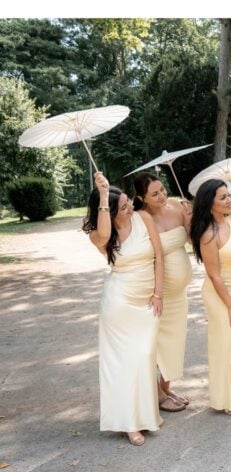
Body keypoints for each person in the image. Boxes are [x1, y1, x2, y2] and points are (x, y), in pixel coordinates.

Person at [82, 172, 164, 446]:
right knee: (123, 364)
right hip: (119, 304)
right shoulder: (101, 235)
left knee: (144, 357)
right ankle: (129, 424)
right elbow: (104, 233)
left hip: (146, 302)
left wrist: (158, 293)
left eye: (130, 202)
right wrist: (105, 195)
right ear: (110, 211)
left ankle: (146, 415)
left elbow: (159, 257)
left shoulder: (144, 219)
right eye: (125, 206)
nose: (131, 208)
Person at [190, 179, 231, 416]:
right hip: (220, 294)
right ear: (210, 203)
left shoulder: (230, 221)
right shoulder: (208, 233)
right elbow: (214, 275)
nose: (228, 200)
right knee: (229, 344)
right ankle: (224, 398)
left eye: (228, 195)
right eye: (222, 197)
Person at [132, 173, 192, 413]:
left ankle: (165, 387)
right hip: (159, 290)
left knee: (175, 341)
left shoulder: (177, 206)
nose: (162, 196)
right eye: (154, 193)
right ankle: (156, 395)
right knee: (156, 343)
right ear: (141, 198)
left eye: (163, 189)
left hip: (180, 292)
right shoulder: (141, 217)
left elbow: (188, 240)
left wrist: (188, 221)